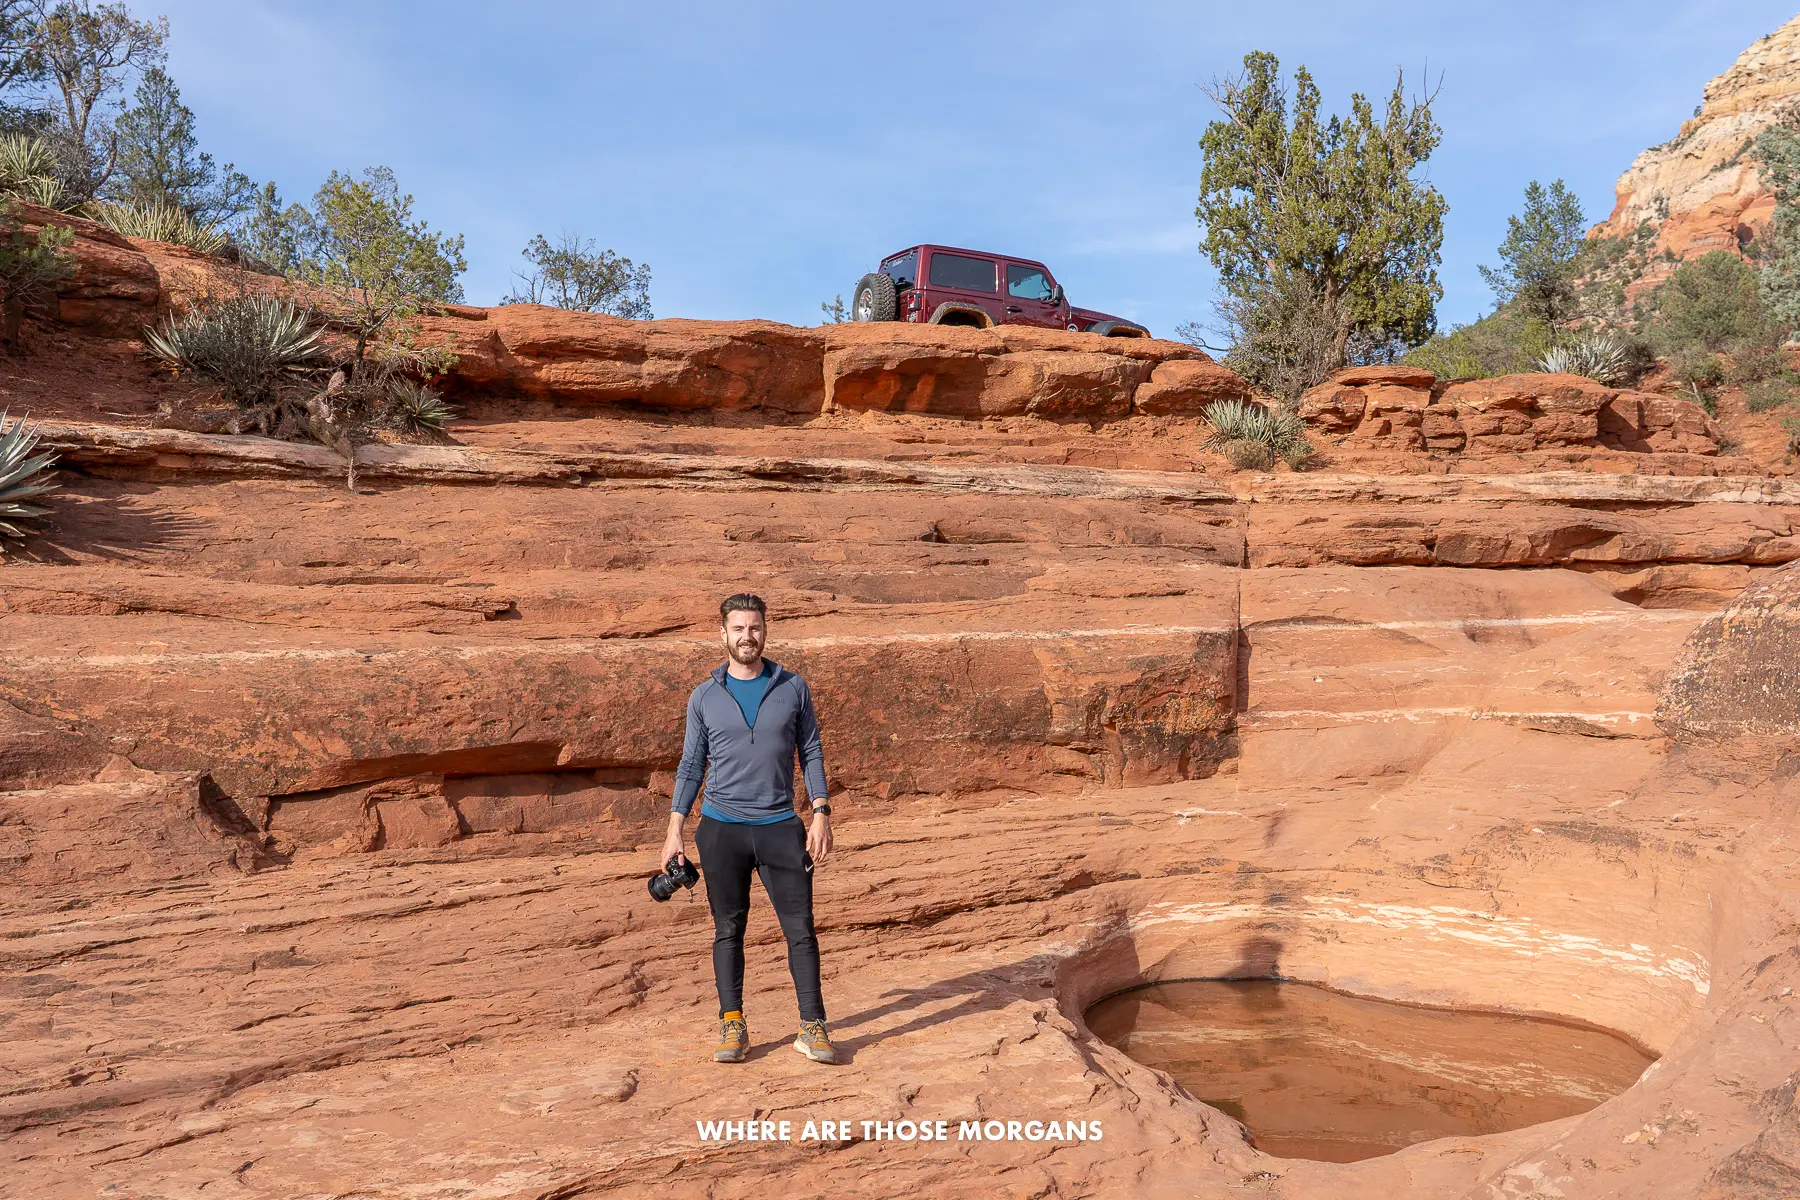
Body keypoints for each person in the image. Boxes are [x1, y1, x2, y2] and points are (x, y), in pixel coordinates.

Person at [662, 592, 836, 1064]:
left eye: (754, 627)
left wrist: (820, 811)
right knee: (728, 929)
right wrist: (675, 829)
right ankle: (732, 1024)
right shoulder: (704, 696)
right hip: (722, 829)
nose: (747, 636)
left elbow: (812, 751)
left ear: (765, 631)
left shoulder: (793, 686)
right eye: (737, 628)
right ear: (722, 634)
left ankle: (812, 1026)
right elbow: (691, 764)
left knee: (800, 930)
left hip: (781, 826)